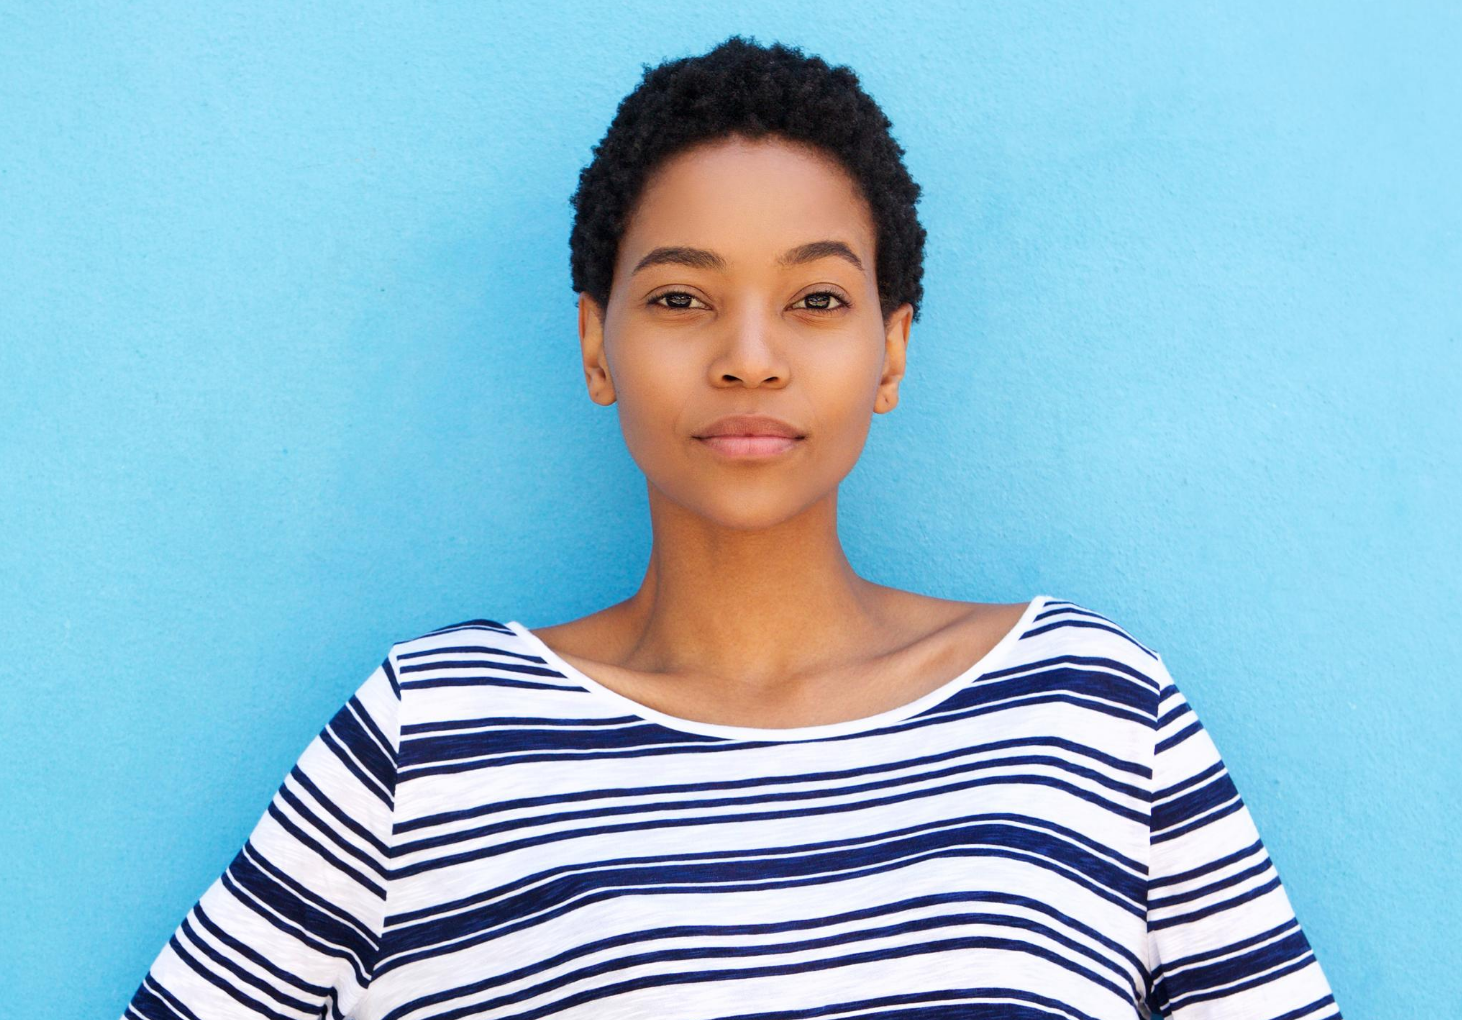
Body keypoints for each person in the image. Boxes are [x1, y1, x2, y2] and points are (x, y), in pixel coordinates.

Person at [119, 35, 1337, 1020]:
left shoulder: (1088, 709)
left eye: (814, 300)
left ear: (890, 348)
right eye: (679, 299)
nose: (747, 359)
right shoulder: (431, 734)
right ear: (597, 342)